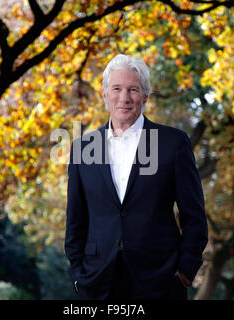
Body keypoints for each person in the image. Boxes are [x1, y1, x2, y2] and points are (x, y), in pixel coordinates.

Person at [64, 54, 208, 300]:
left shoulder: (173, 143)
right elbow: (76, 221)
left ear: (145, 97)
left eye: (133, 89)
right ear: (105, 95)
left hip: (160, 281)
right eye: (117, 89)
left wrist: (184, 273)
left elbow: (194, 216)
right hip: (98, 284)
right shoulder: (82, 149)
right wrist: (79, 276)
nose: (124, 97)